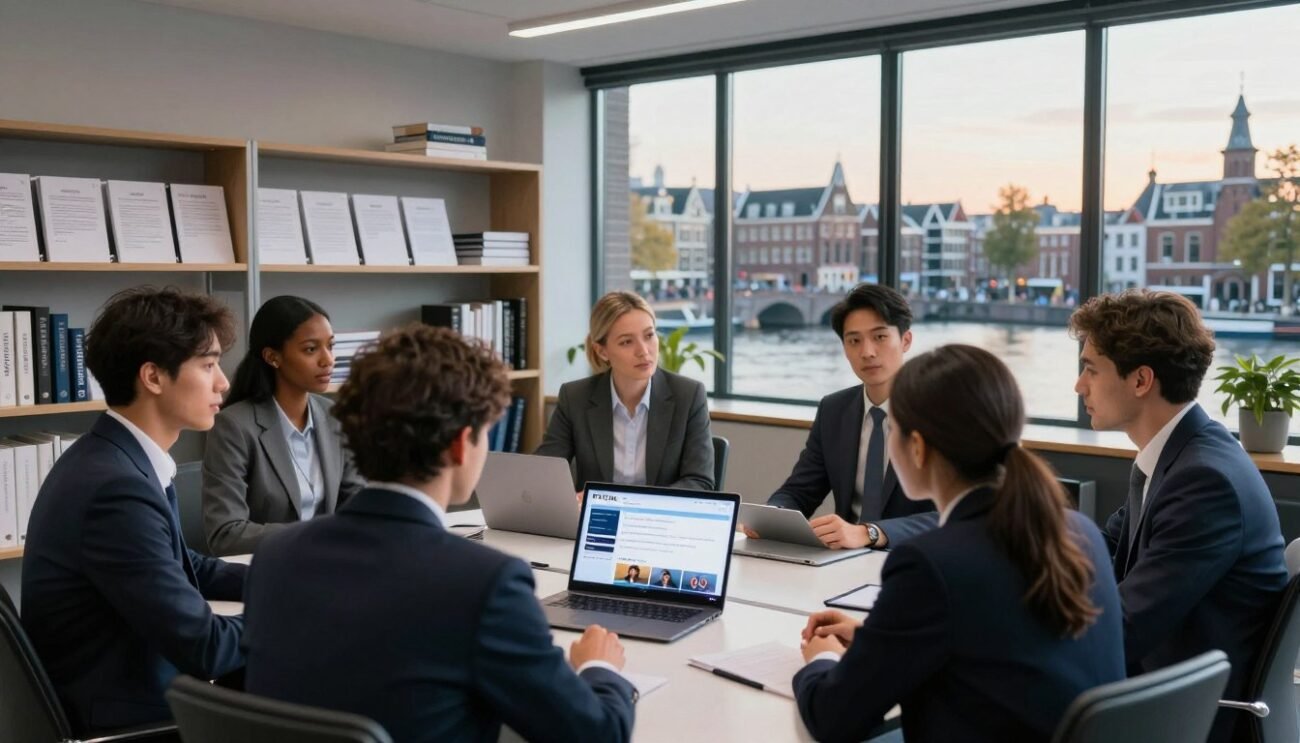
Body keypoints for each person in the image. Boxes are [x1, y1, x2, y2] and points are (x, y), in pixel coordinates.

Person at [242, 325, 636, 743]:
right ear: (460, 445)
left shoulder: (276, 554)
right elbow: (598, 735)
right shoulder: (486, 583)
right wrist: (600, 670)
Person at [794, 345, 1124, 742]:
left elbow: (833, 718)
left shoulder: (931, 563)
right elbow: (1000, 642)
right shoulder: (1079, 530)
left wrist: (822, 659)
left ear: (917, 447)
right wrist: (876, 638)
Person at [20, 287, 247, 735]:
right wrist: (298, 610)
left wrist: (287, 577)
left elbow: (184, 566)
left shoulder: (115, 457)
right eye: (208, 365)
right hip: (130, 720)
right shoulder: (115, 488)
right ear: (153, 377)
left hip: (130, 692)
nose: (223, 382)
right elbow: (207, 648)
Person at [1069, 290, 1287, 741]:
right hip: (1165, 689)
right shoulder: (1181, 455)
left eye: (1090, 369)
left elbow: (1124, 629)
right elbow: (1099, 548)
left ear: (1141, 380)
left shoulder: (1205, 482)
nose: (1079, 386)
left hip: (1188, 717)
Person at [753, 283, 935, 550]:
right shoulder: (834, 409)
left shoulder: (941, 411)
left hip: (918, 562)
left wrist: (872, 533)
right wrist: (771, 519)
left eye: (880, 337)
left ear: (906, 340)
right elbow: (799, 492)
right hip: (843, 561)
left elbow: (960, 514)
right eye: (854, 341)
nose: (867, 352)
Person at [202, 296, 365, 555]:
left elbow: (358, 501)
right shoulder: (234, 427)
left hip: (335, 563)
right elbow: (226, 534)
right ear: (272, 357)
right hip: (271, 568)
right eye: (311, 349)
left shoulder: (336, 416)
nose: (328, 360)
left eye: (330, 346)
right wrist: (316, 534)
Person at [537, 291, 713, 493]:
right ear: (602, 351)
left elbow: (700, 482)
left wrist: (636, 506)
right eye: (626, 342)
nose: (643, 351)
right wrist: (573, 499)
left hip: (659, 521)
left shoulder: (689, 396)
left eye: (649, 335)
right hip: (599, 522)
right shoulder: (575, 397)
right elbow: (544, 471)